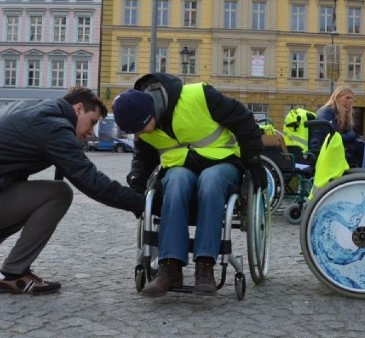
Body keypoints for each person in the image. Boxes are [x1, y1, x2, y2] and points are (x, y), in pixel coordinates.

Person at [0, 87, 144, 295]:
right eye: (92, 122)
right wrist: (139, 203)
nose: (91, 132)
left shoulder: (35, 110)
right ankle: (13, 274)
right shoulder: (53, 126)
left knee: (34, 200)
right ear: (79, 108)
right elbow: (91, 181)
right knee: (59, 193)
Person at [113, 72, 264, 297]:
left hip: (222, 162)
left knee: (210, 180)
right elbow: (143, 160)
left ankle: (205, 266)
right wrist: (136, 186)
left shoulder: (199, 96)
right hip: (181, 169)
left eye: (141, 128)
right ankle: (170, 266)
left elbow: (243, 120)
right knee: (174, 181)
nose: (140, 134)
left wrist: (253, 161)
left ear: (151, 112)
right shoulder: (142, 124)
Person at [309, 85, 365, 167]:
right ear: (338, 98)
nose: (351, 101)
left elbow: (349, 134)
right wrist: (352, 135)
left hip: (335, 147)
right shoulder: (326, 112)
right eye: (347, 98)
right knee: (356, 155)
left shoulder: (342, 113)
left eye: (352, 98)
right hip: (322, 150)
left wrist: (352, 135)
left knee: (361, 146)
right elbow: (334, 137)